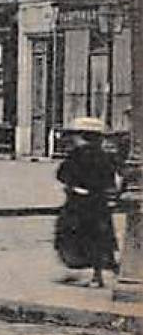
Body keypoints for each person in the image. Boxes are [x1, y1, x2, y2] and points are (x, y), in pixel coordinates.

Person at [54, 117, 119, 288]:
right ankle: (97, 275)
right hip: (99, 203)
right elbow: (110, 179)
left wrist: (75, 186)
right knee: (98, 238)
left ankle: (81, 272)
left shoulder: (77, 155)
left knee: (73, 235)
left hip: (78, 203)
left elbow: (62, 174)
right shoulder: (106, 156)